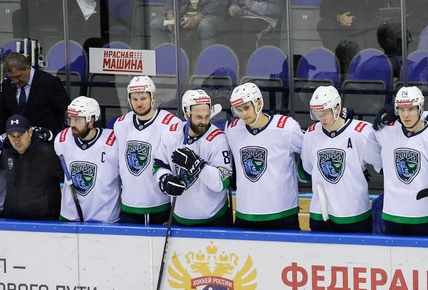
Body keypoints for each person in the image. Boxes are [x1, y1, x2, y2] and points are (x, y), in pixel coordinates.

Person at [224, 81, 306, 230]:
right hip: (245, 213)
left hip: (282, 214)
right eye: (239, 110)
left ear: (259, 103)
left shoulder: (287, 128)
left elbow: (312, 149)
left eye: (247, 108)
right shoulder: (233, 130)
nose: (243, 114)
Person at [299, 85, 383, 232]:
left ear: (337, 108)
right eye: (317, 114)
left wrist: (355, 171)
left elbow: (383, 164)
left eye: (325, 113)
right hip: (320, 214)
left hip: (355, 214)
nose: (321, 118)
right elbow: (307, 170)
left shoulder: (361, 133)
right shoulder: (311, 134)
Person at [373, 86, 428, 235]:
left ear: (420, 109)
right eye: (401, 109)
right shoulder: (384, 130)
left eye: (411, 109)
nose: (406, 115)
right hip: (393, 216)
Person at [112, 75, 182, 225]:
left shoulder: (170, 124)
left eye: (143, 98)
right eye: (135, 99)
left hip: (160, 206)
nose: (139, 103)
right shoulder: (121, 123)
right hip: (129, 207)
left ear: (153, 97)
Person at [163, 90, 234, 227]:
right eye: (199, 117)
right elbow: (158, 165)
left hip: (214, 220)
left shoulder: (218, 139)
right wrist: (165, 179)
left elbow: (222, 182)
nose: (204, 122)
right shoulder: (170, 134)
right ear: (186, 114)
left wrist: (198, 166)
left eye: (207, 116)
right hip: (178, 218)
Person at [53, 96, 121, 224]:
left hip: (104, 218)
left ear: (91, 121)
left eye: (77, 120)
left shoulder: (112, 142)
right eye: (71, 119)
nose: (72, 124)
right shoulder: (62, 139)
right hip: (70, 216)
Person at [0, 114, 64, 221]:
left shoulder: (48, 153)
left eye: (20, 134)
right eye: (12, 136)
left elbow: (65, 180)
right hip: (11, 218)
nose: (16, 140)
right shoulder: (6, 152)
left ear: (30, 132)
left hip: (44, 221)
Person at [0, 51, 69, 134]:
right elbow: (3, 116)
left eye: (18, 76)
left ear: (28, 68)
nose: (15, 81)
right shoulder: (7, 85)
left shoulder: (49, 82)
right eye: (12, 78)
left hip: (45, 140)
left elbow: (65, 111)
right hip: (17, 140)